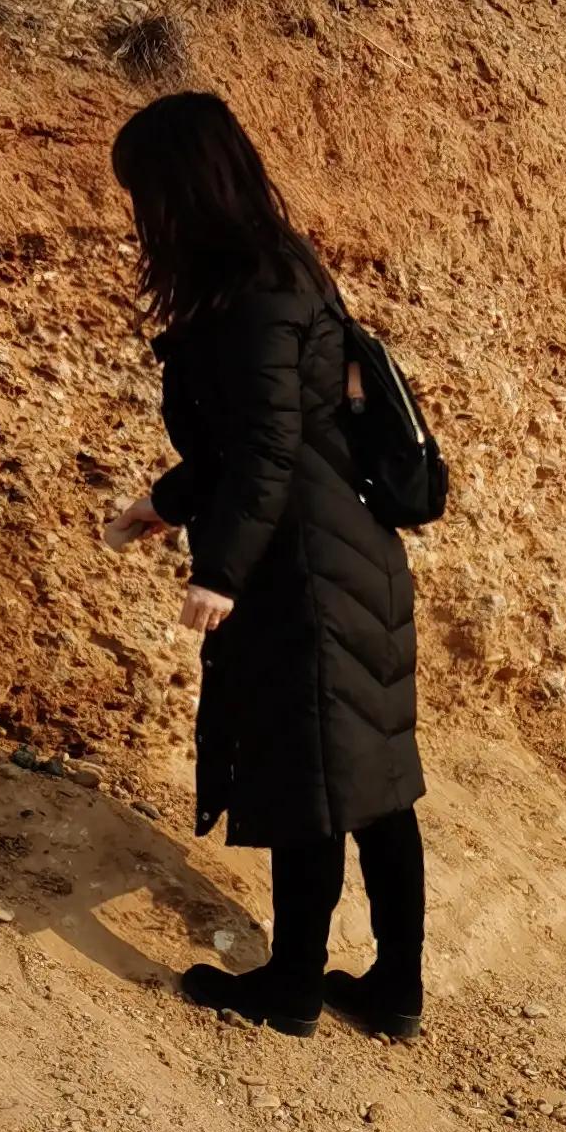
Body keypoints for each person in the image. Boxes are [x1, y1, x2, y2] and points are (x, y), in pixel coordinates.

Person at [103, 93, 426, 1037]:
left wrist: (223, 574)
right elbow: (254, 445)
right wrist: (161, 508)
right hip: (342, 560)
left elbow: (267, 451)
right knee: (370, 783)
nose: (139, 215)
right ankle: (393, 992)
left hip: (304, 577)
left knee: (310, 789)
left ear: (181, 188)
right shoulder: (279, 274)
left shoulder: (250, 292)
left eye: (143, 193)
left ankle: (290, 988)